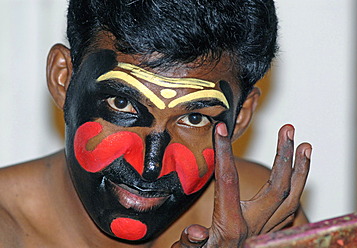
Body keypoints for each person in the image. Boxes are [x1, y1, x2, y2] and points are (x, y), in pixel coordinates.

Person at [0, 0, 312, 247]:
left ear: (240, 117)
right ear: (63, 79)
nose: (151, 165)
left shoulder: (260, 214)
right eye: (121, 103)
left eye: (194, 118)